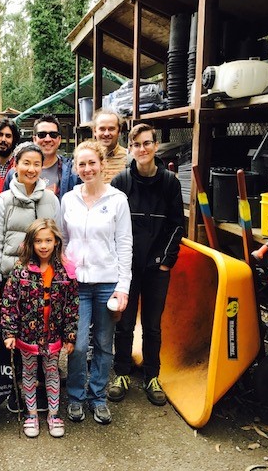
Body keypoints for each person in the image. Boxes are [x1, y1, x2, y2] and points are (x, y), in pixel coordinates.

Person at [108, 123, 184, 406]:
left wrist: (165, 262)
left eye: (148, 143)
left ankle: (153, 375)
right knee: (124, 322)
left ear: (155, 146)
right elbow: (111, 226)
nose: (143, 149)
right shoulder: (121, 182)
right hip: (126, 268)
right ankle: (122, 373)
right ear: (131, 148)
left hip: (156, 267)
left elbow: (177, 226)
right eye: (137, 144)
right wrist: (118, 266)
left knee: (152, 324)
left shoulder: (169, 182)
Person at [60, 140, 132, 425]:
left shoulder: (117, 200)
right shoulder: (69, 199)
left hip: (106, 282)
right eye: (82, 164)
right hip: (77, 284)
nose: (87, 168)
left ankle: (98, 396)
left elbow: (124, 245)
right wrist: (65, 275)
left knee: (103, 343)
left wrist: (122, 286)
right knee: (77, 345)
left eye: (92, 163)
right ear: (76, 168)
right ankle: (76, 397)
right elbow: (62, 241)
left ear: (102, 165)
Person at [0, 141, 61, 413]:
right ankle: (17, 389)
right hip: (13, 281)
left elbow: (59, 239)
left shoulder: (51, 200)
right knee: (15, 336)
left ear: (43, 167)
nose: (31, 169)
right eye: (26, 163)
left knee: (44, 333)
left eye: (36, 164)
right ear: (15, 165)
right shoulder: (4, 202)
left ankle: (42, 388)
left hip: (45, 279)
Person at [1, 218, 79, 438]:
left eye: (48, 240)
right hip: (27, 335)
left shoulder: (65, 272)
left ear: (56, 242)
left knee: (52, 372)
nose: (43, 245)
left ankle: (53, 415)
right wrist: (9, 333)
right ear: (31, 243)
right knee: (28, 372)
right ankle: (32, 414)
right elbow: (9, 303)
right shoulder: (20, 270)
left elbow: (72, 306)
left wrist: (70, 336)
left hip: (53, 335)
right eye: (38, 241)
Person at [3, 114, 78, 201]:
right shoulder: (15, 173)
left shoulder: (71, 172)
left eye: (53, 135)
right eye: (42, 135)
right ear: (34, 139)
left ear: (59, 139)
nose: (47, 139)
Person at [91, 108, 129, 184]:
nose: (106, 134)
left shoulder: (129, 158)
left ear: (119, 131)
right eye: (102, 129)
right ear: (95, 131)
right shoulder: (86, 158)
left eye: (111, 129)